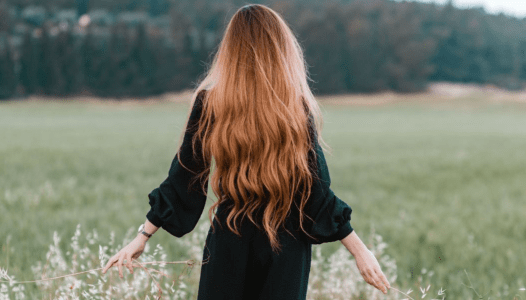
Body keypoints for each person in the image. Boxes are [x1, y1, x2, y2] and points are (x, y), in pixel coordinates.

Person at [102, 4, 391, 299]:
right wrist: (360, 251)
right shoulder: (294, 108)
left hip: (230, 238)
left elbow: (185, 179)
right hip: (287, 247)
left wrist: (143, 236)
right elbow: (315, 191)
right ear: (281, 49)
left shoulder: (211, 102)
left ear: (231, 51)